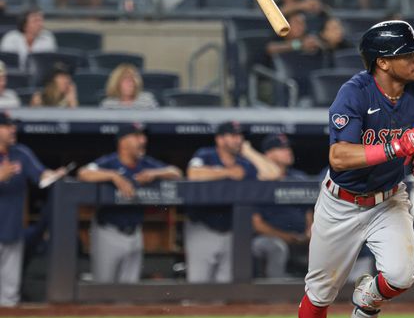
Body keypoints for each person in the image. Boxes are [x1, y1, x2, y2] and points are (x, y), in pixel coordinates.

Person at [289, 21, 414, 318]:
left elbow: (401, 129)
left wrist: (411, 148)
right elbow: (339, 156)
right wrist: (398, 147)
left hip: (388, 199)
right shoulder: (353, 94)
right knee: (320, 293)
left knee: (403, 275)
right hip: (341, 203)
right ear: (383, 63)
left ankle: (369, 298)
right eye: (407, 53)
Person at [77, 123, 182, 283]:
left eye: (143, 136)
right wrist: (113, 176)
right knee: (103, 288)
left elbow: (176, 172)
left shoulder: (146, 163)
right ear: (122, 141)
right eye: (137, 136)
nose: (143, 141)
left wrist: (155, 173)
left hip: (135, 233)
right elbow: (83, 173)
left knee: (129, 292)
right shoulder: (110, 162)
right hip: (108, 231)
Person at [0, 111, 67, 306]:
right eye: (7, 126)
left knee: (10, 294)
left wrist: (54, 175)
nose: (13, 129)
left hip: (12, 231)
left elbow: (41, 178)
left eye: (13, 125)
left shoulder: (20, 153)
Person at [185, 121, 258, 283]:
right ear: (220, 139)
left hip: (233, 231)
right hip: (203, 228)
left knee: (225, 289)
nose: (238, 140)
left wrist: (251, 152)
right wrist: (228, 172)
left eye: (240, 136)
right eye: (233, 136)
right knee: (198, 285)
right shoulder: (205, 155)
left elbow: (271, 174)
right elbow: (193, 173)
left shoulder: (245, 162)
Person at [251, 134, 312, 279]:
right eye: (281, 148)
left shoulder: (299, 177)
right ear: (268, 154)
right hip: (265, 238)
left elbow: (309, 211)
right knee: (277, 247)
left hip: (301, 238)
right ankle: (276, 298)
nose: (288, 151)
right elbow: (257, 224)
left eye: (287, 147)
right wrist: (287, 237)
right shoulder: (257, 180)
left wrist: (310, 232)